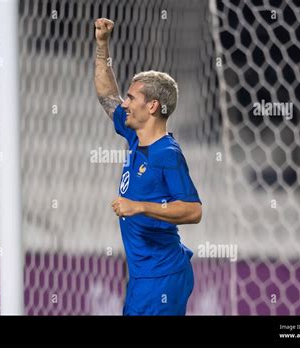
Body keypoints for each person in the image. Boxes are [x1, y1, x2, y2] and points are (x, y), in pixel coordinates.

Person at [94, 18, 203, 315]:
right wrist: (102, 45)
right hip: (145, 277)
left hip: (162, 277)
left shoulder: (166, 154)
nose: (125, 104)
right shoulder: (134, 136)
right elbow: (106, 95)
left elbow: (193, 210)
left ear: (152, 106)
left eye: (132, 98)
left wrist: (139, 206)